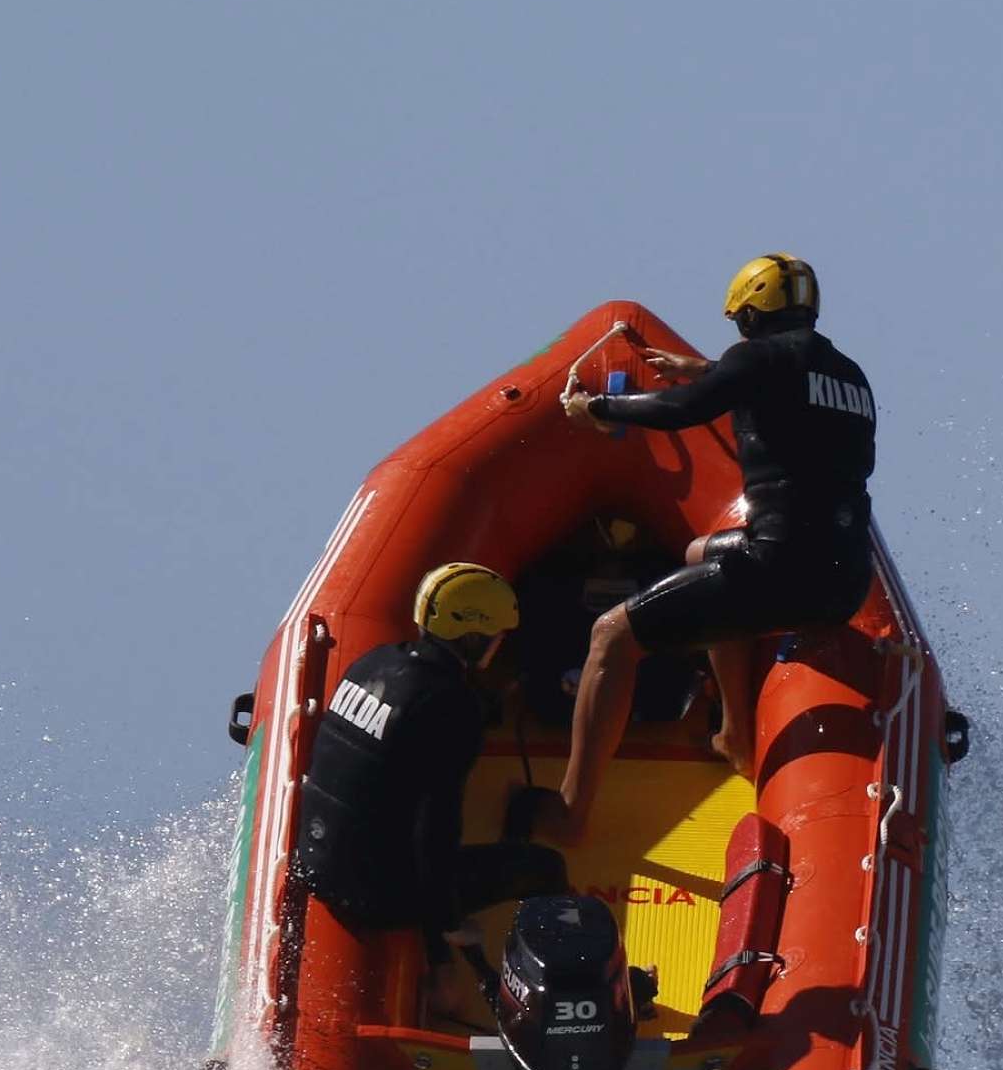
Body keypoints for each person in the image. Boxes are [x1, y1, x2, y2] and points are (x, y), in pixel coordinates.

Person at [535, 253, 876, 845]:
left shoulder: (756, 360)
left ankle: (570, 813)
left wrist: (598, 408)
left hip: (778, 574)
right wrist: (707, 370)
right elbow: (785, 390)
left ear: (749, 317)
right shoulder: (849, 376)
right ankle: (736, 734)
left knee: (611, 636)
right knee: (699, 553)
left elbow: (681, 411)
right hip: (845, 580)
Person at [297, 562, 569, 1017]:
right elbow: (433, 836)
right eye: (497, 636)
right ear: (474, 637)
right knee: (544, 868)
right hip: (371, 892)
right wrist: (446, 941)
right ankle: (551, 1003)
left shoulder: (374, 662)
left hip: (317, 861)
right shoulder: (449, 706)